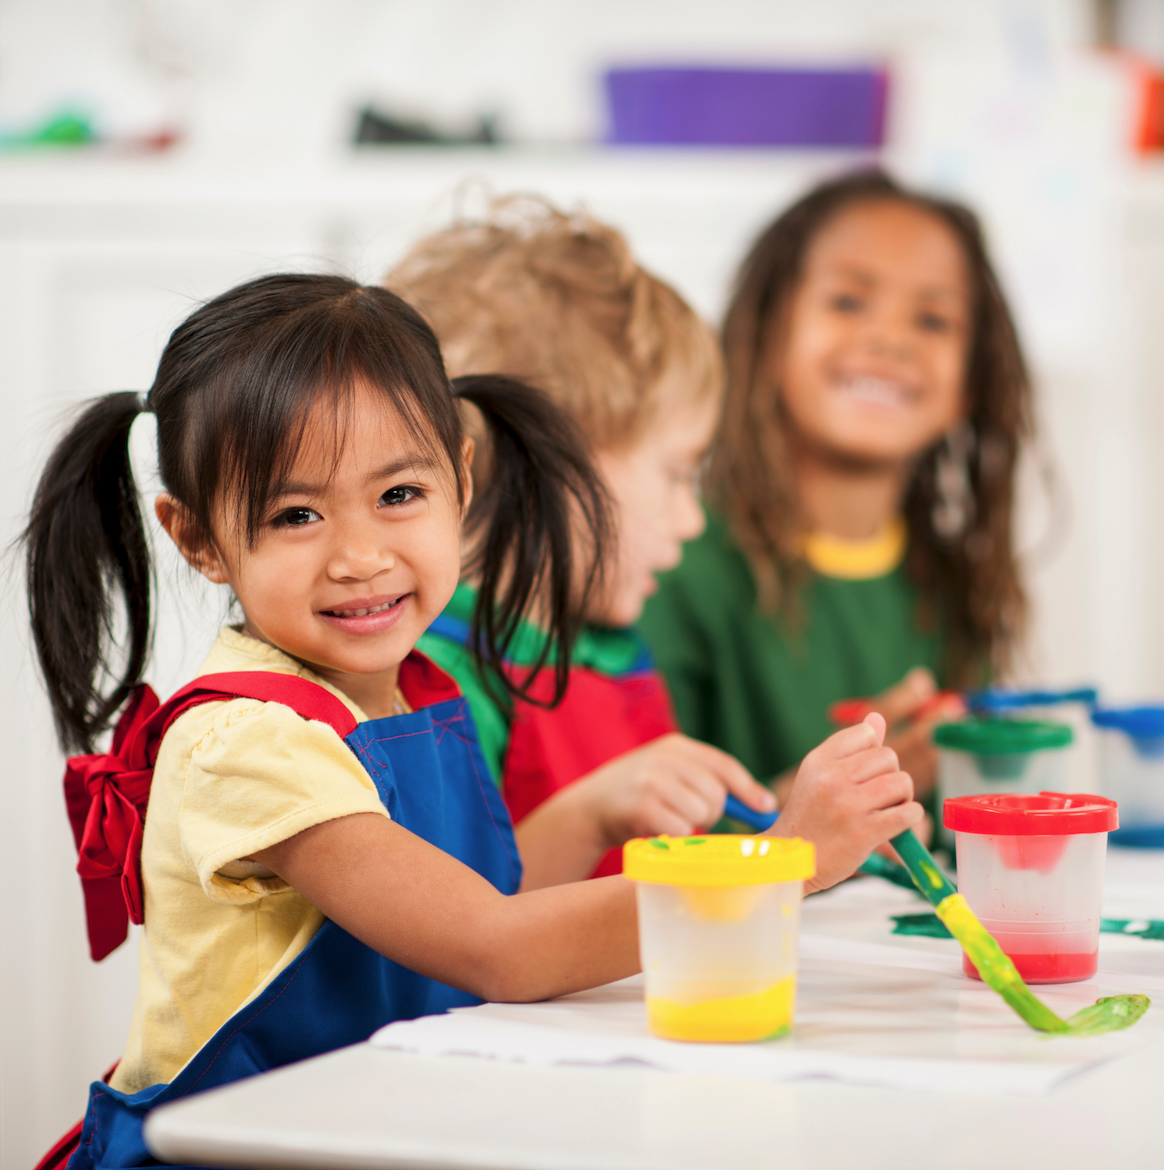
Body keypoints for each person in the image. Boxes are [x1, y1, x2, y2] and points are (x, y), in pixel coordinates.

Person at [25, 273, 922, 1169]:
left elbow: (453, 910)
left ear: (458, 477)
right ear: (197, 538)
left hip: (375, 1128)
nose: (362, 556)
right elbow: (494, 946)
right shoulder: (249, 743)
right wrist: (784, 865)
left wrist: (591, 812)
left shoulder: (408, 687)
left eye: (399, 495)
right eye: (295, 514)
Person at [388, 197, 775, 888]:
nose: (693, 519)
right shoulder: (430, 681)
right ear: (554, 463)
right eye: (678, 474)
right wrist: (589, 817)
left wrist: (807, 827)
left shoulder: (608, 652)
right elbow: (449, 931)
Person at [638, 170, 1031, 807]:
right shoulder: (673, 569)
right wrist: (834, 799)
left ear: (971, 383)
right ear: (767, 335)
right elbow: (638, 851)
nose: (889, 339)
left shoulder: (955, 583)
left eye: (932, 320)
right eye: (848, 302)